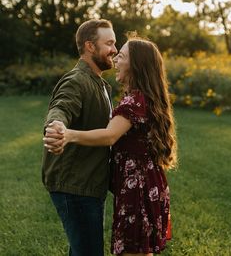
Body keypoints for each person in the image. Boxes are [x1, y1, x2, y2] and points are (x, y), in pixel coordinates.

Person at [44, 36, 177, 256]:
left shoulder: (134, 102)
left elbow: (108, 136)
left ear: (135, 65)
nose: (115, 58)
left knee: (134, 250)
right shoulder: (143, 98)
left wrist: (68, 135)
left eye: (121, 56)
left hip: (138, 190)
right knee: (140, 250)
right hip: (145, 184)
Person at [42, 19, 117, 256]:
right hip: (74, 185)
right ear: (90, 46)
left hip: (90, 183)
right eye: (109, 43)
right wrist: (55, 127)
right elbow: (62, 107)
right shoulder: (77, 80)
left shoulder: (102, 85)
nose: (115, 49)